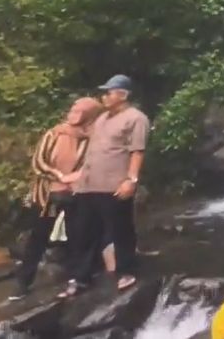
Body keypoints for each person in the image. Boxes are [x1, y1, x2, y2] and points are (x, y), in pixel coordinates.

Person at [62, 74, 149, 297]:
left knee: (121, 230)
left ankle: (126, 271)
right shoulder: (102, 119)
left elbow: (137, 151)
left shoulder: (136, 118)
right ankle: (81, 278)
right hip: (89, 185)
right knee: (83, 232)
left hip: (115, 184)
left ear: (122, 95)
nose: (104, 96)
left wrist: (131, 180)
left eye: (108, 92)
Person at [9, 97, 100, 301]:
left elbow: (93, 163)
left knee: (79, 236)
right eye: (73, 109)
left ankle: (78, 279)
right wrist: (59, 177)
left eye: (80, 111)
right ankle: (23, 283)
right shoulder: (54, 133)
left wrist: (75, 179)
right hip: (47, 194)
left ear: (90, 115)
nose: (73, 113)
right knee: (37, 238)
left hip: (77, 193)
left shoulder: (93, 138)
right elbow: (39, 162)